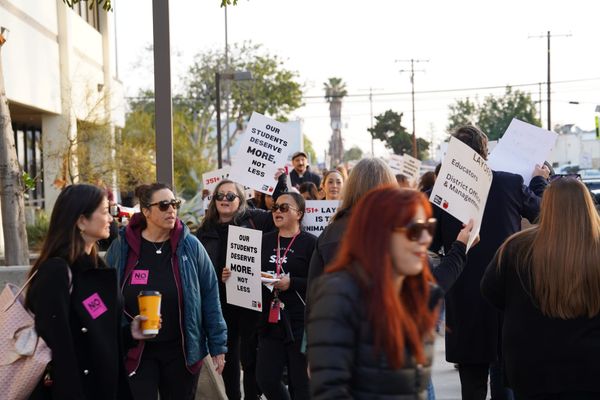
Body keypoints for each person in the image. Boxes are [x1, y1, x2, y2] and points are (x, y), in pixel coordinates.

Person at [430, 125, 549, 400]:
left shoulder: (444, 194)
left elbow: (432, 243)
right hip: (505, 299)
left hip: (465, 302)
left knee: (472, 388)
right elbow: (543, 213)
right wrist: (539, 180)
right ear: (486, 154)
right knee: (505, 384)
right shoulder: (509, 183)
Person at [307, 187, 441, 399]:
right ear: (380, 233)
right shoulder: (339, 294)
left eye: (429, 228)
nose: (425, 238)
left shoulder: (418, 294)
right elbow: (330, 392)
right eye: (414, 229)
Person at [26, 184, 152, 399]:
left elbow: (98, 338)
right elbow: (59, 349)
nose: (111, 218)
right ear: (82, 221)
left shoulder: (96, 267)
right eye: (104, 211)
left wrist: (130, 333)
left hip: (104, 387)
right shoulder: (56, 272)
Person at [481, 177, 600, 399]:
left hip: (531, 369)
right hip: (591, 369)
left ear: (546, 207)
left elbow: (491, 292)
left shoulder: (515, 248)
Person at [105, 183, 227, 400]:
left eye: (174, 204)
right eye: (163, 205)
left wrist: (218, 344)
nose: (171, 210)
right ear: (146, 211)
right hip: (137, 352)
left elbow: (210, 293)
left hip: (181, 352)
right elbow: (108, 293)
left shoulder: (190, 245)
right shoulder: (123, 246)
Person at [196, 178, 285, 400]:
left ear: (240, 199)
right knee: (227, 357)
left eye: (230, 196)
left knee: (250, 356)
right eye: (220, 196)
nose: (225, 200)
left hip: (250, 301)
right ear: (213, 200)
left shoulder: (255, 219)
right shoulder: (203, 231)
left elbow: (279, 211)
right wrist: (219, 273)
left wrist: (279, 181)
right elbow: (199, 268)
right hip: (220, 303)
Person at [223, 192, 316, 400]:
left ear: (299, 214)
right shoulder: (263, 241)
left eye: (284, 208)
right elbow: (246, 273)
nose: (277, 211)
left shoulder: (310, 243)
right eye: (275, 207)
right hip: (269, 320)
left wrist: (292, 283)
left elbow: (319, 280)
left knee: (300, 384)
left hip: (299, 322)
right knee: (266, 378)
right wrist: (232, 274)